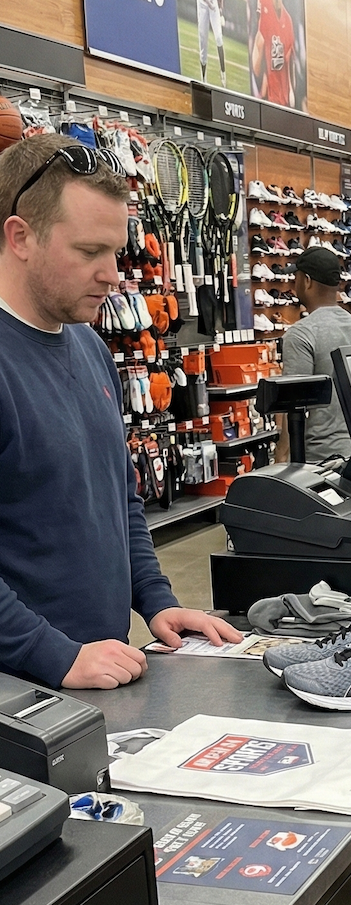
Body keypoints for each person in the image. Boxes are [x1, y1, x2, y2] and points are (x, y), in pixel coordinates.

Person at [0, 134, 242, 690]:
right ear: (20, 237)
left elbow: (120, 499)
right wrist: (53, 654)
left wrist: (156, 600)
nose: (112, 273)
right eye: (90, 252)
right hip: (22, 696)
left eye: (114, 250)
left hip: (98, 676)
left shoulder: (90, 347)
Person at [279, 246, 351, 463]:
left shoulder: (301, 334)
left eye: (296, 277)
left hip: (318, 459)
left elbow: (290, 406)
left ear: (306, 281)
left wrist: (281, 456)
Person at [252, 0, 295, 108]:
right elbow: (257, 57)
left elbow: (290, 68)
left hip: (284, 105)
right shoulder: (263, 0)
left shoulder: (289, 21)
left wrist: (291, 94)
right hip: (267, 101)